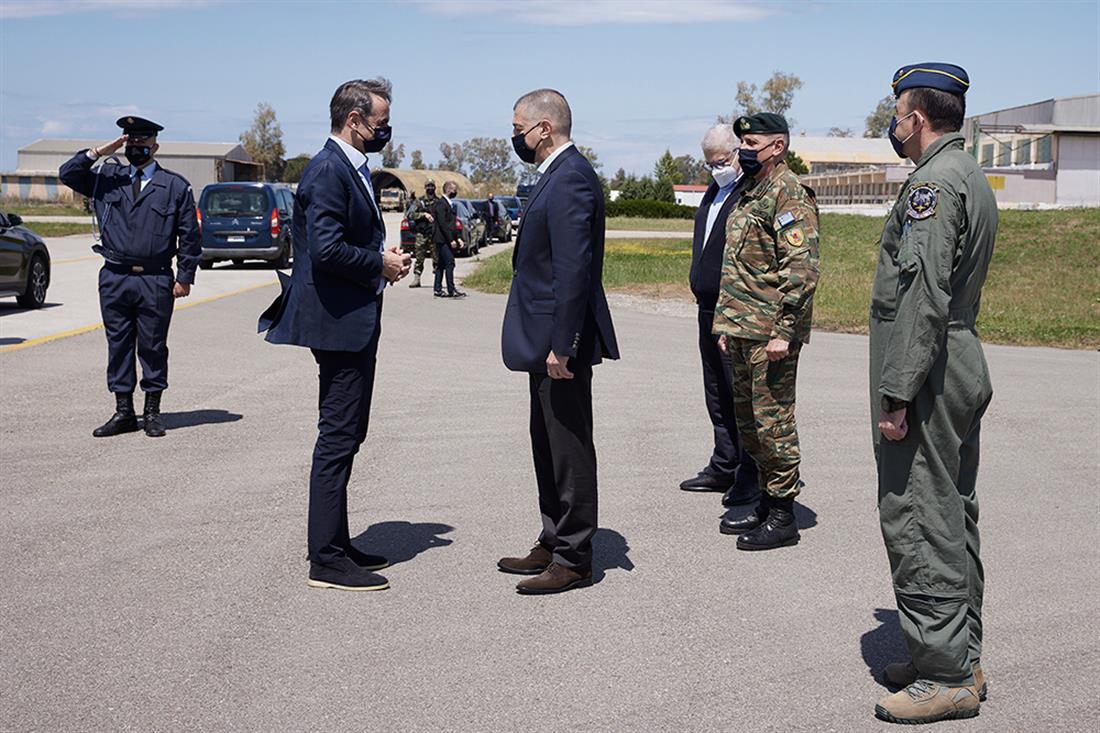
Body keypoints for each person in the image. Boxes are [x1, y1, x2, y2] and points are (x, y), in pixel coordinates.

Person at [870, 63, 996, 726]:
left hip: (928, 369)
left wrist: (897, 391)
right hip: (954, 359)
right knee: (952, 510)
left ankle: (945, 675)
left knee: (919, 512)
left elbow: (922, 294)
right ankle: (959, 656)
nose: (892, 125)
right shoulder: (965, 171)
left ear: (915, 116)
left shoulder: (934, 183)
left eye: (896, 114)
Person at [258, 78, 412, 592]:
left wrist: (379, 262)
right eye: (381, 122)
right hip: (339, 325)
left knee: (348, 434)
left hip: (352, 320)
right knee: (338, 437)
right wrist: (379, 263)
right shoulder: (328, 169)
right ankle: (325, 559)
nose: (386, 130)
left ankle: (337, 543)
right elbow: (325, 250)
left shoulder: (349, 167)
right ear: (354, 120)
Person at [496, 88, 619, 594]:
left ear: (543, 129)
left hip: (558, 344)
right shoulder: (554, 174)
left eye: (518, 128)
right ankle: (553, 538)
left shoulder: (570, 178)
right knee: (546, 443)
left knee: (569, 448)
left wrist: (563, 344)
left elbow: (573, 269)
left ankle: (574, 558)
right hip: (542, 340)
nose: (514, 137)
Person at [711, 112, 820, 550]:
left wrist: (785, 330)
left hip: (771, 334)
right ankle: (764, 499)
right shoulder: (750, 191)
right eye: (742, 144)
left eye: (752, 144)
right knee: (750, 424)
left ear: (777, 147)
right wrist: (727, 322)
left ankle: (783, 515)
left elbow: (801, 268)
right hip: (742, 329)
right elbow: (738, 264)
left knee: (774, 424)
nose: (744, 151)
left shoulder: (788, 193)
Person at [58, 116, 200, 438]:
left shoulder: (174, 186)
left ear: (155, 146)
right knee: (118, 345)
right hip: (115, 277)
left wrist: (185, 276)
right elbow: (67, 173)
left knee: (153, 346)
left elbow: (189, 235)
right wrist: (99, 152)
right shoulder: (107, 178)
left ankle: (152, 413)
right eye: (130, 141)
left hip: (155, 279)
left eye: (142, 142)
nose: (135, 147)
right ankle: (123, 412)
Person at [680, 123, 760, 508]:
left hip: (735, 308)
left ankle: (750, 471)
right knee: (715, 389)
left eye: (722, 161)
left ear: (738, 152)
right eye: (710, 163)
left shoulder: (750, 193)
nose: (717, 168)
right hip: (707, 306)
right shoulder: (716, 189)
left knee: (738, 392)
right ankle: (724, 462)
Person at [430, 181, 466, 298]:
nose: (456, 192)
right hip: (441, 239)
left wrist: (458, 238)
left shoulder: (449, 204)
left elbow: (452, 225)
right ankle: (451, 290)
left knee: (441, 264)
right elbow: (443, 224)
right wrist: (451, 240)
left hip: (447, 238)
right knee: (450, 262)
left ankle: (437, 289)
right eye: (454, 189)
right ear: (448, 190)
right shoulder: (441, 204)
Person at [406, 180, 438, 288]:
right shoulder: (419, 202)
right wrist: (423, 215)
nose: (430, 188)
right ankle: (417, 278)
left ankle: (438, 280)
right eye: (428, 186)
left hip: (434, 234)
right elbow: (410, 214)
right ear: (425, 187)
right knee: (419, 258)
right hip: (422, 234)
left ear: (435, 188)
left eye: (432, 186)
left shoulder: (438, 202)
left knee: (437, 258)